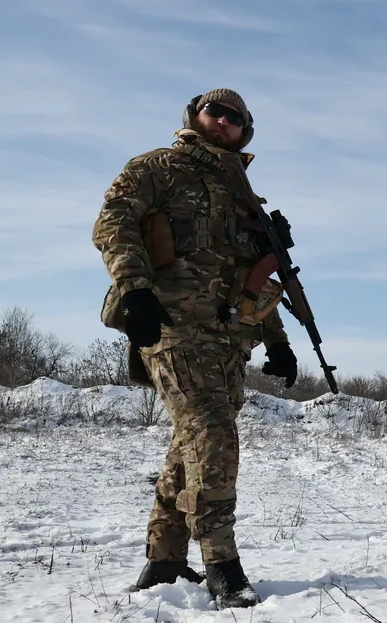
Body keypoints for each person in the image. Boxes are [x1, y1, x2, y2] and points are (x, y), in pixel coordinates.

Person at [93, 89, 298, 609]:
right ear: (195, 115)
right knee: (212, 432)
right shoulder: (157, 167)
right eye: (215, 111)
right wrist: (134, 288)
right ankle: (221, 563)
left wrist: (278, 342)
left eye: (235, 118)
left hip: (229, 341)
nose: (223, 121)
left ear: (244, 131)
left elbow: (252, 281)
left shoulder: (243, 194)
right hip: (170, 327)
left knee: (191, 441)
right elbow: (113, 222)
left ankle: (163, 559)